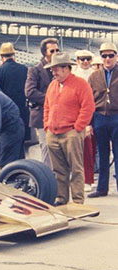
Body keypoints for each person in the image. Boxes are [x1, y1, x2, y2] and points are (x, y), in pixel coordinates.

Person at [44, 52, 95, 205]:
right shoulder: (52, 85)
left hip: (71, 133)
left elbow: (88, 107)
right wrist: (47, 125)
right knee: (59, 169)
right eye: (52, 69)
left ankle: (78, 200)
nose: (53, 72)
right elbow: (47, 106)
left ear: (66, 68)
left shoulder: (81, 84)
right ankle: (62, 198)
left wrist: (78, 127)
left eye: (56, 69)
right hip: (53, 133)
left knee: (76, 168)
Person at [87, 42, 118, 198]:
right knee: (103, 155)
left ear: (116, 56)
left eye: (110, 55)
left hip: (116, 116)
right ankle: (102, 188)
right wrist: (88, 123)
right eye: (104, 56)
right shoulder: (94, 76)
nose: (107, 59)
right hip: (99, 117)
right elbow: (88, 101)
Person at [25, 37, 59, 168]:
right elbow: (30, 92)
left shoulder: (60, 69)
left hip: (59, 116)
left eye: (57, 50)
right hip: (42, 116)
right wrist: (52, 98)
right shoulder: (35, 70)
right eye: (52, 51)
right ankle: (47, 180)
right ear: (45, 53)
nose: (55, 53)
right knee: (47, 149)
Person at [0, 42, 30, 151]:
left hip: (7, 115)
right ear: (13, 55)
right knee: (22, 148)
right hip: (23, 112)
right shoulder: (24, 69)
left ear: (1, 57)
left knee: (8, 149)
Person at [73, 50, 96, 192]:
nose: (85, 61)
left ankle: (89, 179)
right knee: (79, 151)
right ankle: (82, 179)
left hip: (94, 114)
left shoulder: (94, 74)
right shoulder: (74, 75)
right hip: (78, 115)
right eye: (82, 59)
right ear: (77, 60)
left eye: (88, 59)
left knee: (91, 150)